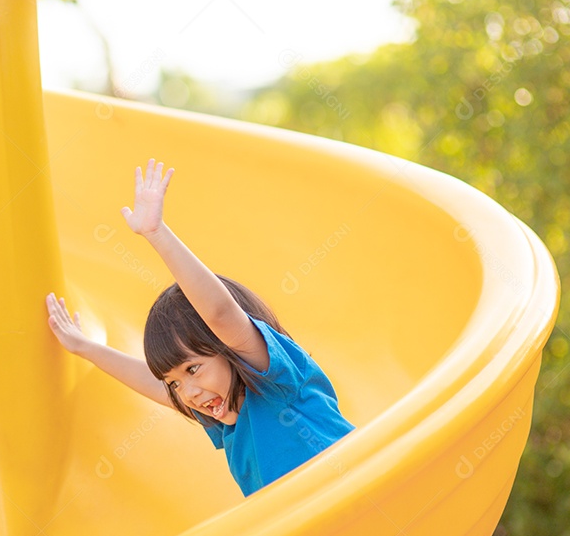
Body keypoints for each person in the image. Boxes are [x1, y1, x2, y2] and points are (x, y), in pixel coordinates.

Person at [46, 159, 354, 496]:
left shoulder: (274, 380)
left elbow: (220, 314)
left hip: (366, 496)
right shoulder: (227, 420)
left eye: (194, 368)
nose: (188, 392)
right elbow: (154, 383)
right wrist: (85, 348)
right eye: (177, 383)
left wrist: (156, 233)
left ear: (230, 349)